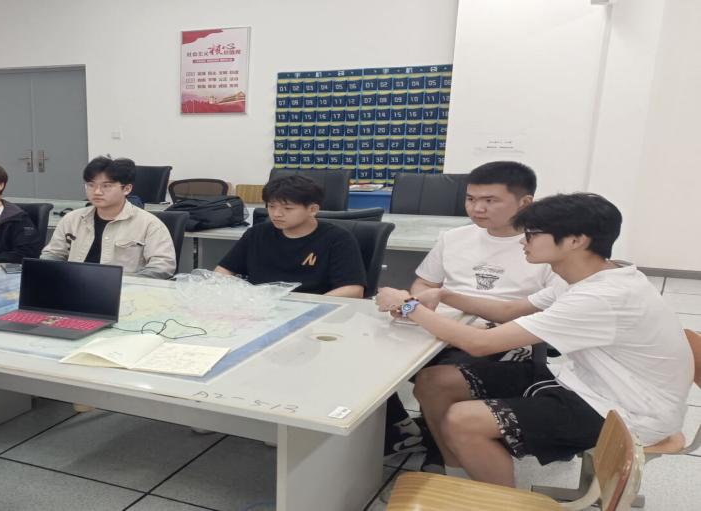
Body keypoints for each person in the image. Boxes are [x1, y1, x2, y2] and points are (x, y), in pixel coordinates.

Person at [374, 193, 692, 487]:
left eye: (532, 234)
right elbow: (509, 310)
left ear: (576, 241)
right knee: (433, 382)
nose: (522, 242)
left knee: (463, 420)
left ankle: (501, 502)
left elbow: (480, 344)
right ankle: (457, 477)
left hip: (626, 410)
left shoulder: (601, 297)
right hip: (586, 382)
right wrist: (444, 295)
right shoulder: (588, 275)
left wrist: (409, 306)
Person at [385, 161, 564, 457]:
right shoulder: (454, 237)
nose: (477, 208)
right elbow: (424, 283)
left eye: (490, 200)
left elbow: (545, 312)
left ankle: (445, 451)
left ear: (525, 202)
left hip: (504, 337)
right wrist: (419, 302)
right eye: (471, 199)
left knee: (435, 378)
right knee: (374, 357)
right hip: (442, 327)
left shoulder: (545, 246)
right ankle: (401, 429)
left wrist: (419, 306)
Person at [215, 174, 365, 297]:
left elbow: (353, 290)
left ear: (312, 209)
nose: (276, 214)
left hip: (313, 312)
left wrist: (313, 307)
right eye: (271, 206)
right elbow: (223, 272)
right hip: (260, 308)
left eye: (288, 208)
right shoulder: (257, 233)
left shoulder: (337, 239)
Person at [40, 156, 176, 279]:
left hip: (126, 293)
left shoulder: (149, 224)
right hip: (76, 287)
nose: (97, 192)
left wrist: (129, 285)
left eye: (106, 186)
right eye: (91, 185)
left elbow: (162, 266)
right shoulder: (72, 219)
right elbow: (53, 254)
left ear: (127, 189)